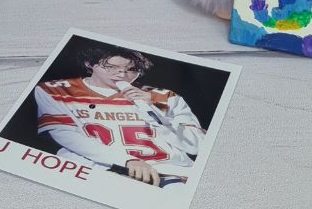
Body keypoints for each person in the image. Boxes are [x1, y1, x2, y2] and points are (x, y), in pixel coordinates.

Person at [34, 43, 205, 187]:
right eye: (111, 67)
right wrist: (127, 161)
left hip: (170, 172)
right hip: (100, 171)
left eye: (132, 69)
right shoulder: (56, 90)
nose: (122, 75)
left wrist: (153, 109)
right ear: (89, 63)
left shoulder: (165, 96)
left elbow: (196, 146)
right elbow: (66, 136)